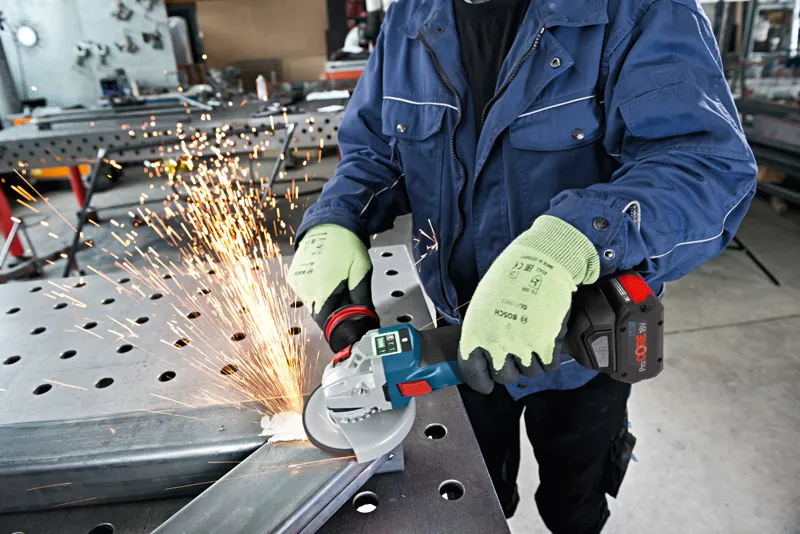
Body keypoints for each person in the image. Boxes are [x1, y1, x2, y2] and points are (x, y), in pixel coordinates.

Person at [288, 0, 757, 531]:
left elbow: (705, 166)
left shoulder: (640, 8)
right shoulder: (408, 16)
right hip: (458, 333)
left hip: (582, 348)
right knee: (477, 502)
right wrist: (337, 216)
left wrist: (565, 248)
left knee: (574, 507)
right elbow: (377, 151)